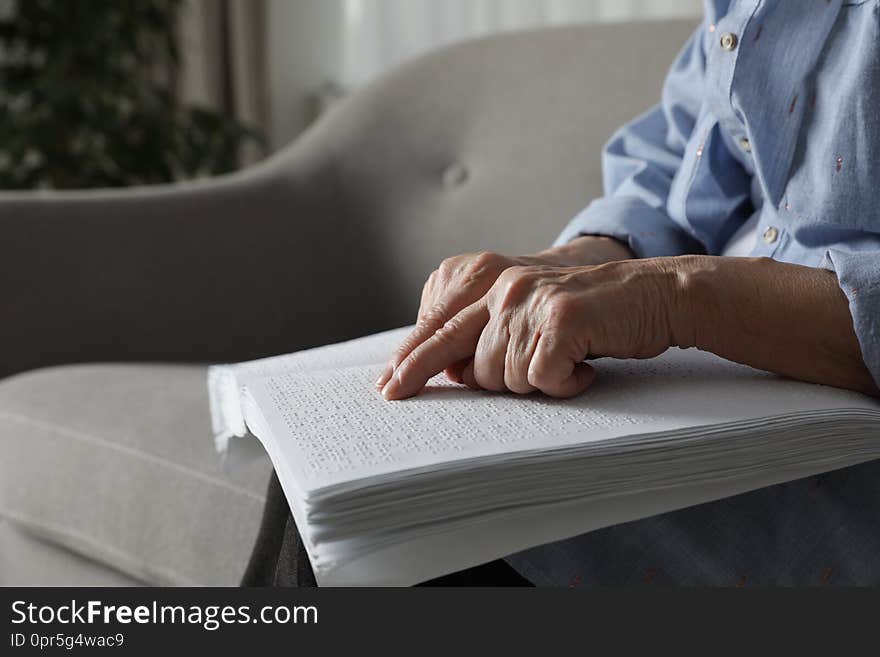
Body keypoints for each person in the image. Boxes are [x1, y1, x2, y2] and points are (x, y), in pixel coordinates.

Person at [245, 0, 880, 587]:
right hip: (708, 400)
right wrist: (584, 258)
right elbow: (681, 154)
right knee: (345, 476)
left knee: (388, 529)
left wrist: (675, 296)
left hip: (832, 483)